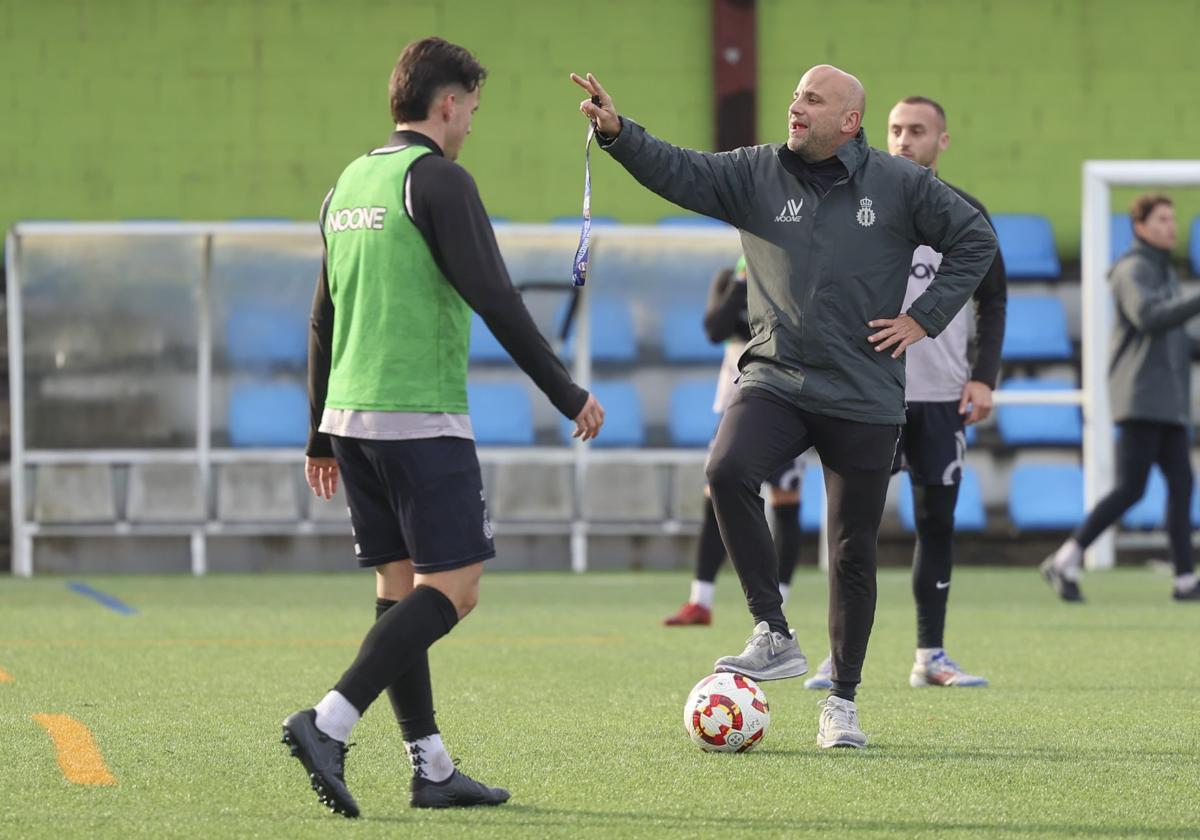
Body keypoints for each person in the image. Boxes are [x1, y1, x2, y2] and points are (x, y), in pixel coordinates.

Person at [572, 65, 997, 749]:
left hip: (864, 393)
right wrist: (620, 134)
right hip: (777, 377)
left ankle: (844, 705)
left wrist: (924, 318)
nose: (795, 107)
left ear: (849, 121)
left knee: (852, 553)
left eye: (813, 99)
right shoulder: (754, 173)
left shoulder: (900, 184)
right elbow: (677, 170)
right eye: (796, 95)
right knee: (727, 470)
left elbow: (976, 240)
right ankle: (772, 629)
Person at [282, 37, 605, 819]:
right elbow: (496, 298)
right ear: (447, 103)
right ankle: (328, 721)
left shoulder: (349, 184)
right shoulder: (441, 182)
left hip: (352, 419)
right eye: (472, 112)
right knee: (455, 591)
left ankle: (431, 768)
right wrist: (567, 393)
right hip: (417, 417)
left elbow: (321, 320)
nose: (470, 127)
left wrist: (318, 433)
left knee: (400, 592)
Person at [805, 96, 1007, 690]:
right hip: (870, 394)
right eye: (895, 130)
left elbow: (992, 299)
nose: (903, 140)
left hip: (942, 397)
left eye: (917, 131)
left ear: (942, 140)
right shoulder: (857, 204)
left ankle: (931, 655)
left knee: (936, 522)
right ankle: (837, 657)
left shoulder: (967, 213)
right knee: (853, 531)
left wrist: (983, 376)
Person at [1041, 193, 1200, 603]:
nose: (1171, 226)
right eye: (1162, 219)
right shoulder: (1131, 270)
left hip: (1167, 401)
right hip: (1141, 396)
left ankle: (1185, 579)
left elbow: (1176, 333)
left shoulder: (1164, 273)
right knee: (1131, 488)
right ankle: (1065, 557)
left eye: (1173, 219)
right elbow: (1149, 316)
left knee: (1181, 484)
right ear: (1140, 227)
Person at [664, 255, 807, 627]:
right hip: (736, 406)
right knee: (717, 493)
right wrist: (743, 281)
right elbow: (715, 329)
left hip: (786, 405)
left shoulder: (792, 274)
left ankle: (781, 602)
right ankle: (701, 600)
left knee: (785, 502)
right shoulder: (730, 278)